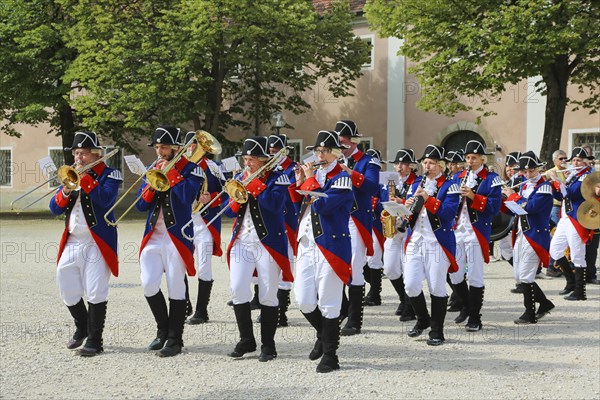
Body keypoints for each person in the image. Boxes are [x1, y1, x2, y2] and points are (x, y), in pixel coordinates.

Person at [49, 131, 122, 357]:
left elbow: (105, 199)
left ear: (95, 154)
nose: (78, 158)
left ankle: (95, 340)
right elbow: (54, 208)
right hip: (72, 240)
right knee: (66, 285)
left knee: (95, 290)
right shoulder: (72, 176)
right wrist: (66, 189)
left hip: (96, 242)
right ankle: (82, 326)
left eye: (82, 153)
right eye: (76, 153)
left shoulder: (111, 174)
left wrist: (86, 179)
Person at [136, 126, 205, 357]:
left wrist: (171, 174)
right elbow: (141, 205)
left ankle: (175, 339)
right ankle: (162, 330)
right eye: (156, 147)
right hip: (153, 235)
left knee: (176, 285)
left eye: (163, 147)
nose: (159, 151)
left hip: (177, 235)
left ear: (176, 148)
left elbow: (186, 198)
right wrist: (151, 183)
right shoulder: (151, 168)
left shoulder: (193, 170)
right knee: (148, 283)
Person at [288, 130, 353, 372]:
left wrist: (309, 178)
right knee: (304, 301)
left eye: (325, 151)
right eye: (317, 151)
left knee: (329, 303)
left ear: (336, 154)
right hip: (306, 243)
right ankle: (323, 335)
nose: (320, 155)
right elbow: (299, 206)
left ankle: (331, 356)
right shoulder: (314, 176)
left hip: (331, 246)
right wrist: (298, 182)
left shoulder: (342, 179)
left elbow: (323, 206)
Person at [224, 136, 292, 362]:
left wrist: (254, 184)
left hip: (268, 242)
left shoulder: (279, 178)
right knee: (237, 289)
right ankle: (246, 340)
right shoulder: (239, 177)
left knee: (268, 293)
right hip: (242, 241)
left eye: (252, 159)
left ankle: (268, 345)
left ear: (264, 160)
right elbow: (229, 212)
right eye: (245, 159)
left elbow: (275, 206)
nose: (247, 163)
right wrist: (236, 194)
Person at [403, 145, 460, 346]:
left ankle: (437, 330)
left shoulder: (451, 185)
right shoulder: (416, 184)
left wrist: (428, 199)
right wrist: (404, 206)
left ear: (441, 165)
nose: (428, 166)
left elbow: (448, 213)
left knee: (437, 286)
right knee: (410, 285)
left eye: (432, 163)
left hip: (437, 242)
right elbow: (410, 214)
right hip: (415, 239)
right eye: (425, 163)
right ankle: (423, 319)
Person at [449, 140, 502, 332]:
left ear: (482, 159)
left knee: (474, 275)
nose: (470, 161)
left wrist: (473, 196)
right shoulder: (458, 177)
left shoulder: (492, 179)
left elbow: (494, 208)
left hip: (476, 231)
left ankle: (474, 317)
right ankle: (466, 306)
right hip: (457, 230)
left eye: (474, 158)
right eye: (467, 158)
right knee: (454, 272)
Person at [335, 120, 381, 336]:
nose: (339, 144)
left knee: (354, 268)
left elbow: (373, 188)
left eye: (342, 140)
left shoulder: (368, 161)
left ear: (353, 141)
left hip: (356, 220)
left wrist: (349, 173)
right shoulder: (332, 160)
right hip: (336, 219)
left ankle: (355, 320)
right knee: (335, 264)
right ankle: (342, 309)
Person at [501, 151, 555, 323]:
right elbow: (515, 209)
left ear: (538, 169)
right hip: (521, 233)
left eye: (531, 171)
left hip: (535, 235)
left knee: (526, 275)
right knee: (518, 275)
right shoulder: (524, 186)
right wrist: (503, 200)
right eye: (525, 172)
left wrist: (513, 196)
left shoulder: (544, 188)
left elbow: (529, 207)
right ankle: (545, 303)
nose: (528, 175)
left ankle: (529, 313)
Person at [183, 131, 226, 325]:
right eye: (189, 145)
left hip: (204, 223)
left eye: (195, 145)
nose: (192, 148)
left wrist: (212, 197)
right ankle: (184, 303)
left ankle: (202, 311)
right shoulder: (178, 167)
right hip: (183, 220)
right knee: (178, 263)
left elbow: (229, 192)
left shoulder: (214, 167)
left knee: (203, 266)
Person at [548, 147, 595, 300]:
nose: (575, 162)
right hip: (565, 217)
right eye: (573, 160)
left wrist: (557, 179)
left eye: (579, 160)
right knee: (555, 250)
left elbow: (571, 194)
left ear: (585, 162)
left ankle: (580, 291)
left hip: (577, 218)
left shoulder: (587, 177)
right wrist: (554, 185)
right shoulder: (573, 176)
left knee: (577, 254)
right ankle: (571, 282)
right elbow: (560, 195)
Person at [382, 149, 419, 321]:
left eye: (403, 164)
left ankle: (410, 305)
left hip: (410, 230)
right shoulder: (391, 183)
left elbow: (416, 205)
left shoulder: (418, 182)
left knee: (407, 268)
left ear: (411, 166)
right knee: (390, 268)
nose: (399, 167)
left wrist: (401, 202)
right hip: (394, 229)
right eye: (397, 164)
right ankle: (403, 298)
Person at [266, 133, 298, 326]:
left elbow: (293, 193)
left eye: (276, 151)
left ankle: (281, 311)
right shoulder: (267, 168)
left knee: (285, 259)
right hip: (270, 219)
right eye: (270, 151)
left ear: (284, 151)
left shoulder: (293, 168)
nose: (273, 154)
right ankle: (269, 305)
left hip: (287, 219)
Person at [364, 148, 386, 307]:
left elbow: (385, 203)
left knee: (374, 258)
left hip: (376, 223)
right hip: (362, 221)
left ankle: (375, 292)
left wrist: (375, 204)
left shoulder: (382, 181)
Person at [544, 149, 569, 277]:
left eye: (566, 158)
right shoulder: (550, 173)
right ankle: (551, 266)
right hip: (555, 207)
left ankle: (563, 264)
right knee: (555, 236)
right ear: (555, 160)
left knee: (566, 237)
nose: (564, 161)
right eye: (561, 158)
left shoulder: (568, 172)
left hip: (566, 207)